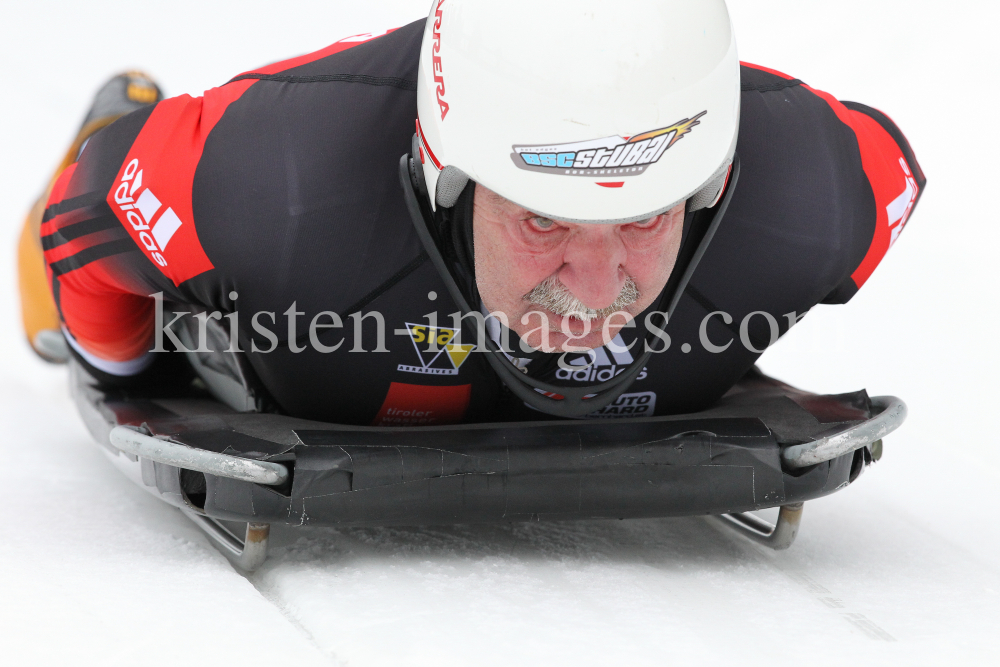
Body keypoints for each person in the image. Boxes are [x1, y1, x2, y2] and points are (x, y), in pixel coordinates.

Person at [19, 0, 924, 426]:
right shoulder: (266, 186)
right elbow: (82, 209)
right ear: (448, 177)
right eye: (544, 221)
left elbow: (895, 159)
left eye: (646, 218)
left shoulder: (821, 192)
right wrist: (124, 368)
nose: (598, 289)